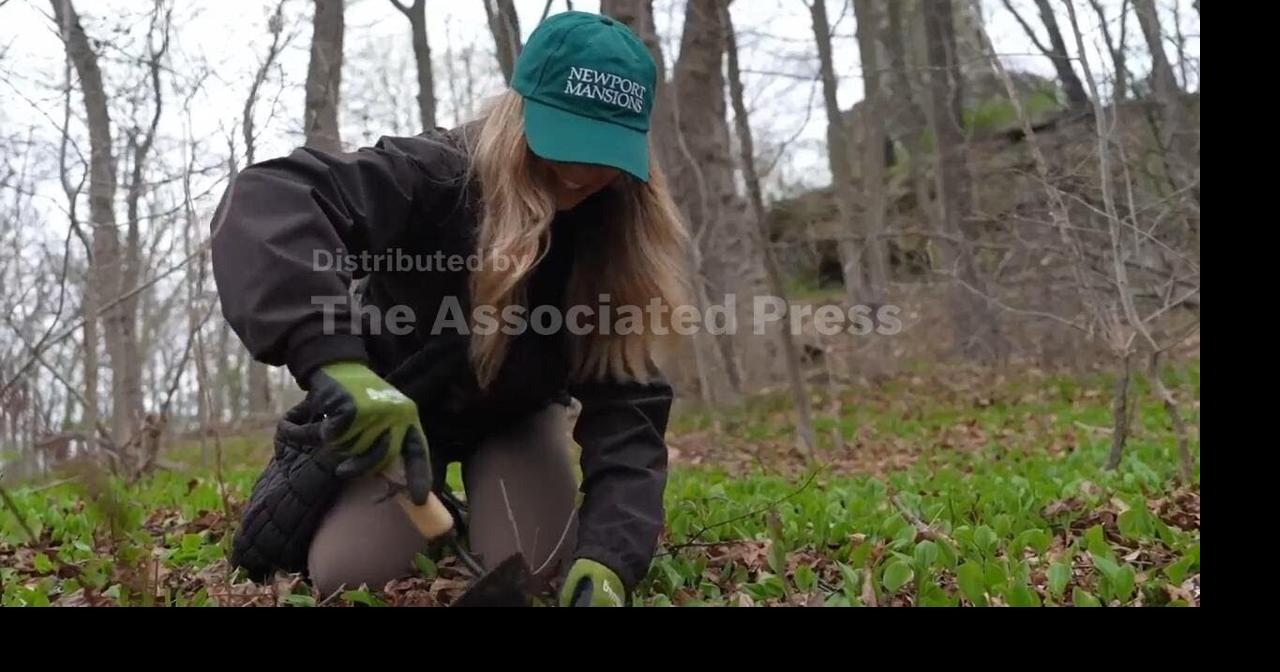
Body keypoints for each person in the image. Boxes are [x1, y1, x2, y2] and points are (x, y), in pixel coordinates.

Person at [211, 10, 690, 606]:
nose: (584, 170)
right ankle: (439, 509)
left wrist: (612, 558)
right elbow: (272, 200)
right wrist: (335, 362)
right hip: (395, 415)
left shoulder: (616, 235)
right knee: (347, 575)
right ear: (521, 115)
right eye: (567, 140)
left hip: (517, 416)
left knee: (537, 566)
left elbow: (629, 411)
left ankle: (491, 510)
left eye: (604, 149)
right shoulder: (435, 174)